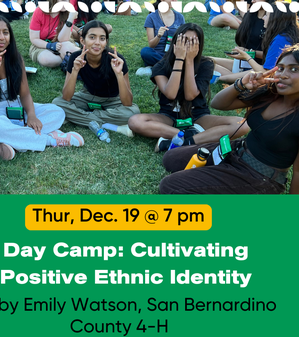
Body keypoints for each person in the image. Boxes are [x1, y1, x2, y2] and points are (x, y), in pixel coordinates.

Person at [159, 44, 299, 195]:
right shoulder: (269, 93)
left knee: (170, 186)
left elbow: (297, 172)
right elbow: (218, 104)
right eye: (281, 68)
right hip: (237, 150)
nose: (283, 75)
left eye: (294, 69)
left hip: (260, 177)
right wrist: (241, 85)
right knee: (170, 158)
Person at [0, 16, 84, 161]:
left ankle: (3, 141)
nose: (2, 37)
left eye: (6, 32)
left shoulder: (16, 59)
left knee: (57, 112)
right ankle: (50, 140)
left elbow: (25, 94)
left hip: (15, 108)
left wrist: (32, 115)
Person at [128, 23, 248, 152]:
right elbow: (170, 94)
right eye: (184, 40)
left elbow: (190, 95)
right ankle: (193, 137)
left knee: (242, 124)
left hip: (198, 116)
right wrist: (180, 59)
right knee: (135, 121)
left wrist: (189, 61)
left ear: (199, 45)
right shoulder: (162, 65)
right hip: (169, 116)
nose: (187, 46)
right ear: (175, 42)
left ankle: (183, 142)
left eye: (193, 42)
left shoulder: (205, 64)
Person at [52, 20, 140, 137]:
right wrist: (75, 71)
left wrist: (119, 74)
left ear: (106, 42)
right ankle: (107, 124)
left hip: (113, 100)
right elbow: (66, 97)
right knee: (57, 103)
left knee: (133, 113)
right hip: (87, 96)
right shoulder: (76, 57)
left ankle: (80, 117)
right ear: (82, 40)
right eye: (92, 37)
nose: (97, 42)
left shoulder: (116, 59)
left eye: (102, 39)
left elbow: (128, 102)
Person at [223, 7, 299, 77]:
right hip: (271, 73)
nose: (263, 18)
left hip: (270, 76)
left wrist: (247, 56)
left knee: (222, 74)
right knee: (213, 62)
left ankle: (220, 78)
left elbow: (266, 72)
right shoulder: (288, 35)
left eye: (266, 15)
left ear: (275, 19)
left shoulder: (280, 40)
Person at [212, 0, 270, 83]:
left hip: (259, 67)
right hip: (242, 63)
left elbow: (274, 55)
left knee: (214, 72)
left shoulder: (273, 21)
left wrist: (249, 53)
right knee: (205, 60)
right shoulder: (250, 15)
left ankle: (229, 78)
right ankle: (232, 77)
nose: (253, 1)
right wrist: (242, 52)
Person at [136, 0, 185, 77]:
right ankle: (173, 68)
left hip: (174, 53)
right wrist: (158, 36)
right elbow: (151, 45)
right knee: (145, 51)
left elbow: (183, 40)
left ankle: (156, 68)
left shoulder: (180, 17)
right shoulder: (151, 17)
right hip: (157, 54)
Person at [29, 0, 79, 68]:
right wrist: (49, 45)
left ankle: (68, 56)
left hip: (61, 42)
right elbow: (34, 39)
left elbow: (63, 39)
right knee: (49, 60)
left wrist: (70, 19)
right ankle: (67, 58)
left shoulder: (68, 12)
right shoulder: (39, 11)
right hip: (41, 44)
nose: (66, 3)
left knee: (76, 54)